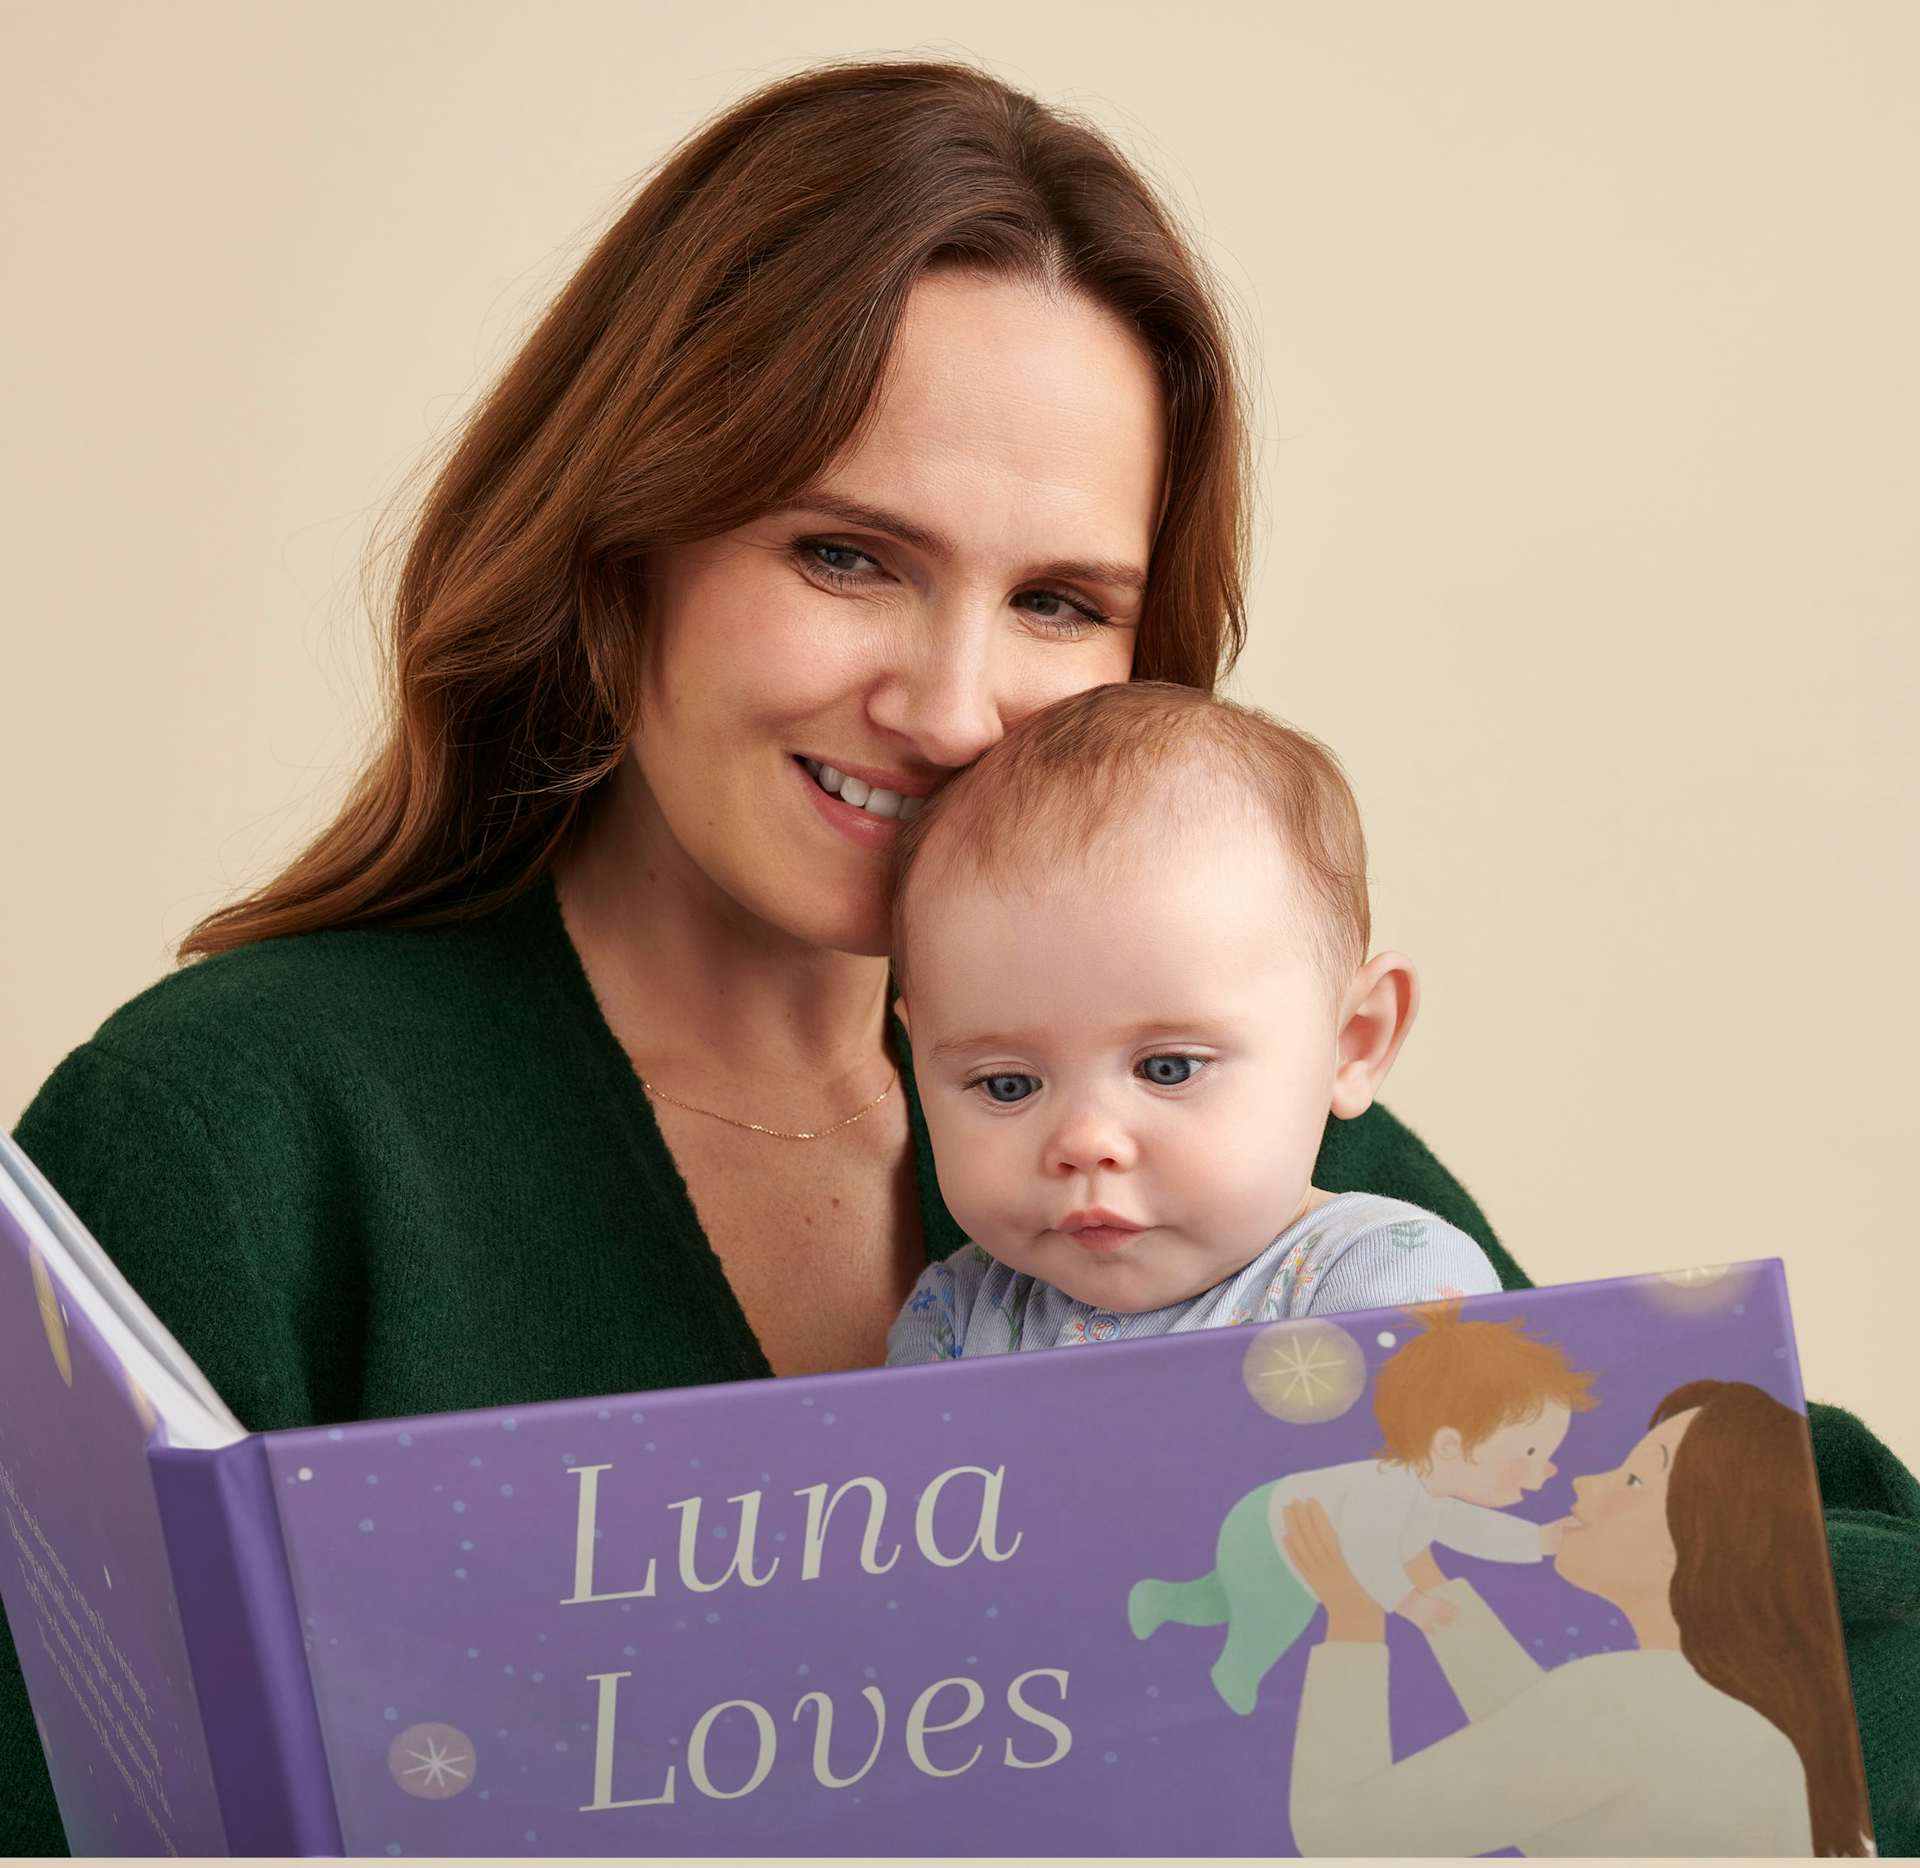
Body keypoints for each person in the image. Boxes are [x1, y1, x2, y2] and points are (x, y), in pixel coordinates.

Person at [0, 58, 1912, 1857]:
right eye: (845, 555)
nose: (950, 700)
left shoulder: (1217, 1143)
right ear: (619, 552)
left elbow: (1759, 1578)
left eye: (1061, 601)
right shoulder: (236, 1132)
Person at [882, 681, 1504, 1370]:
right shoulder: (954, 1316)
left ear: (1354, 1042)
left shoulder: (1385, 1281)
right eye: (1006, 1084)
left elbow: (1425, 1464)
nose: (1085, 1143)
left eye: (1167, 1068)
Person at [1282, 1380, 1874, 1856]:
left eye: (1636, 1478)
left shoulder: (1632, 1702)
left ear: (1706, 1540)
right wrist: (1422, 1578)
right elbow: (1536, 1736)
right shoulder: (1722, 1709)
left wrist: (1354, 1617)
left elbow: (1341, 1838)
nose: (1587, 1481)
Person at [1129, 1300, 1596, 1714]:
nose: (1550, 1469)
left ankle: (1162, 1600)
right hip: (1274, 1531)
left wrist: (1539, 1540)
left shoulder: (1429, 1496)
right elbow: (1368, 1553)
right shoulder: (1390, 1492)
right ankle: (1235, 1670)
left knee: (1222, 1597)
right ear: (1452, 1446)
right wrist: (1410, 1603)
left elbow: (1472, 1529)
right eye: (1533, 1453)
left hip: (1263, 1514)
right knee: (1273, 1614)